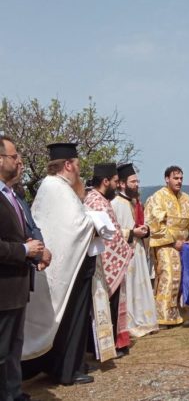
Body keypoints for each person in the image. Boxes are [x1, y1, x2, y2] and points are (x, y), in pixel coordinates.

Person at [22, 143, 98, 385]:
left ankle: (65, 364)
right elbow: (76, 226)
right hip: (65, 270)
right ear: (68, 165)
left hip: (66, 266)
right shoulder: (57, 188)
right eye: (77, 164)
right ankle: (67, 370)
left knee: (65, 318)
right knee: (70, 317)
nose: (79, 170)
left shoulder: (52, 186)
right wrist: (95, 222)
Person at [0, 137, 48, 400]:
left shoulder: (13, 196)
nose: (19, 160)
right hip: (3, 287)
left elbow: (23, 230)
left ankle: (13, 391)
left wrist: (34, 250)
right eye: (13, 156)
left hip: (17, 285)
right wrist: (24, 250)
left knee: (13, 346)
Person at [84, 163, 134, 360]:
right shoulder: (98, 202)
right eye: (115, 181)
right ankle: (106, 345)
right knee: (106, 306)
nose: (117, 185)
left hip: (106, 260)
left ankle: (111, 343)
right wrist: (125, 250)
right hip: (104, 262)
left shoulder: (98, 199)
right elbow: (109, 237)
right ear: (105, 181)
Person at [144, 165, 189, 327]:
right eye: (175, 178)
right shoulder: (157, 198)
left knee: (187, 276)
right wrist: (173, 241)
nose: (179, 181)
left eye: (181, 178)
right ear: (167, 179)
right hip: (166, 245)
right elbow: (154, 222)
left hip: (186, 246)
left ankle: (185, 313)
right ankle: (163, 316)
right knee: (169, 275)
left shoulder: (187, 199)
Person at [111, 163, 158, 338]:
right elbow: (113, 232)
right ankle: (130, 324)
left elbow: (141, 224)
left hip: (138, 250)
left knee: (141, 284)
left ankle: (145, 320)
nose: (137, 184)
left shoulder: (136, 203)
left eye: (137, 181)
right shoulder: (115, 204)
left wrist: (145, 230)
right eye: (133, 182)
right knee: (129, 288)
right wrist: (132, 233)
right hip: (124, 253)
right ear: (122, 183)